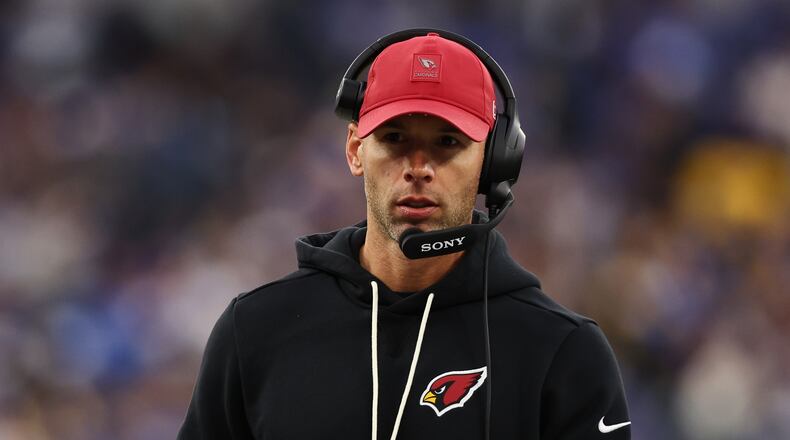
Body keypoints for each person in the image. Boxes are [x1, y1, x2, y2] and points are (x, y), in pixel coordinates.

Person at [177, 30, 631, 440]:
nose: (419, 169)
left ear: (492, 163)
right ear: (355, 150)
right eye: (394, 139)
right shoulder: (256, 329)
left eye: (448, 143)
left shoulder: (562, 351)